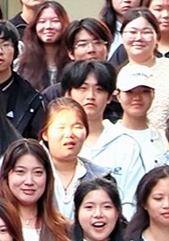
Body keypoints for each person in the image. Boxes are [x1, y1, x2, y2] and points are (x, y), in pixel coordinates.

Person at [64, 60, 149, 208]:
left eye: (99, 89)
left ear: (109, 97)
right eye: (83, 88)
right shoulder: (57, 142)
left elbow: (133, 199)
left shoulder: (126, 144)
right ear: (68, 94)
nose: (90, 96)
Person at [0, 137, 71, 241]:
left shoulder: (66, 230)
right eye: (20, 172)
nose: (29, 181)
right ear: (6, 175)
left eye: (37, 172)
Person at [38, 98, 108, 224]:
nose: (69, 134)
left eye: (77, 127)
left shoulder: (101, 177)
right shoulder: (30, 176)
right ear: (45, 134)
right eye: (61, 127)